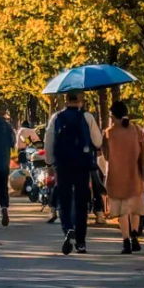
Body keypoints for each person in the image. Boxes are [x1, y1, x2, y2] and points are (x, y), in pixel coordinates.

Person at [44, 92, 102, 255]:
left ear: (66, 100)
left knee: (64, 199)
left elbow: (49, 141)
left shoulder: (56, 118)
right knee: (82, 202)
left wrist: (49, 163)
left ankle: (68, 229)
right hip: (82, 165)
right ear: (80, 101)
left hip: (62, 165)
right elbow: (98, 141)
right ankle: (81, 242)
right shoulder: (87, 117)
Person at [103, 101, 144, 255]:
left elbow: (106, 156)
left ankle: (126, 242)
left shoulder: (109, 133)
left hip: (117, 178)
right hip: (135, 176)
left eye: (112, 116)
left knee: (122, 212)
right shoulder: (137, 130)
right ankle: (134, 238)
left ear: (115, 117)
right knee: (134, 210)